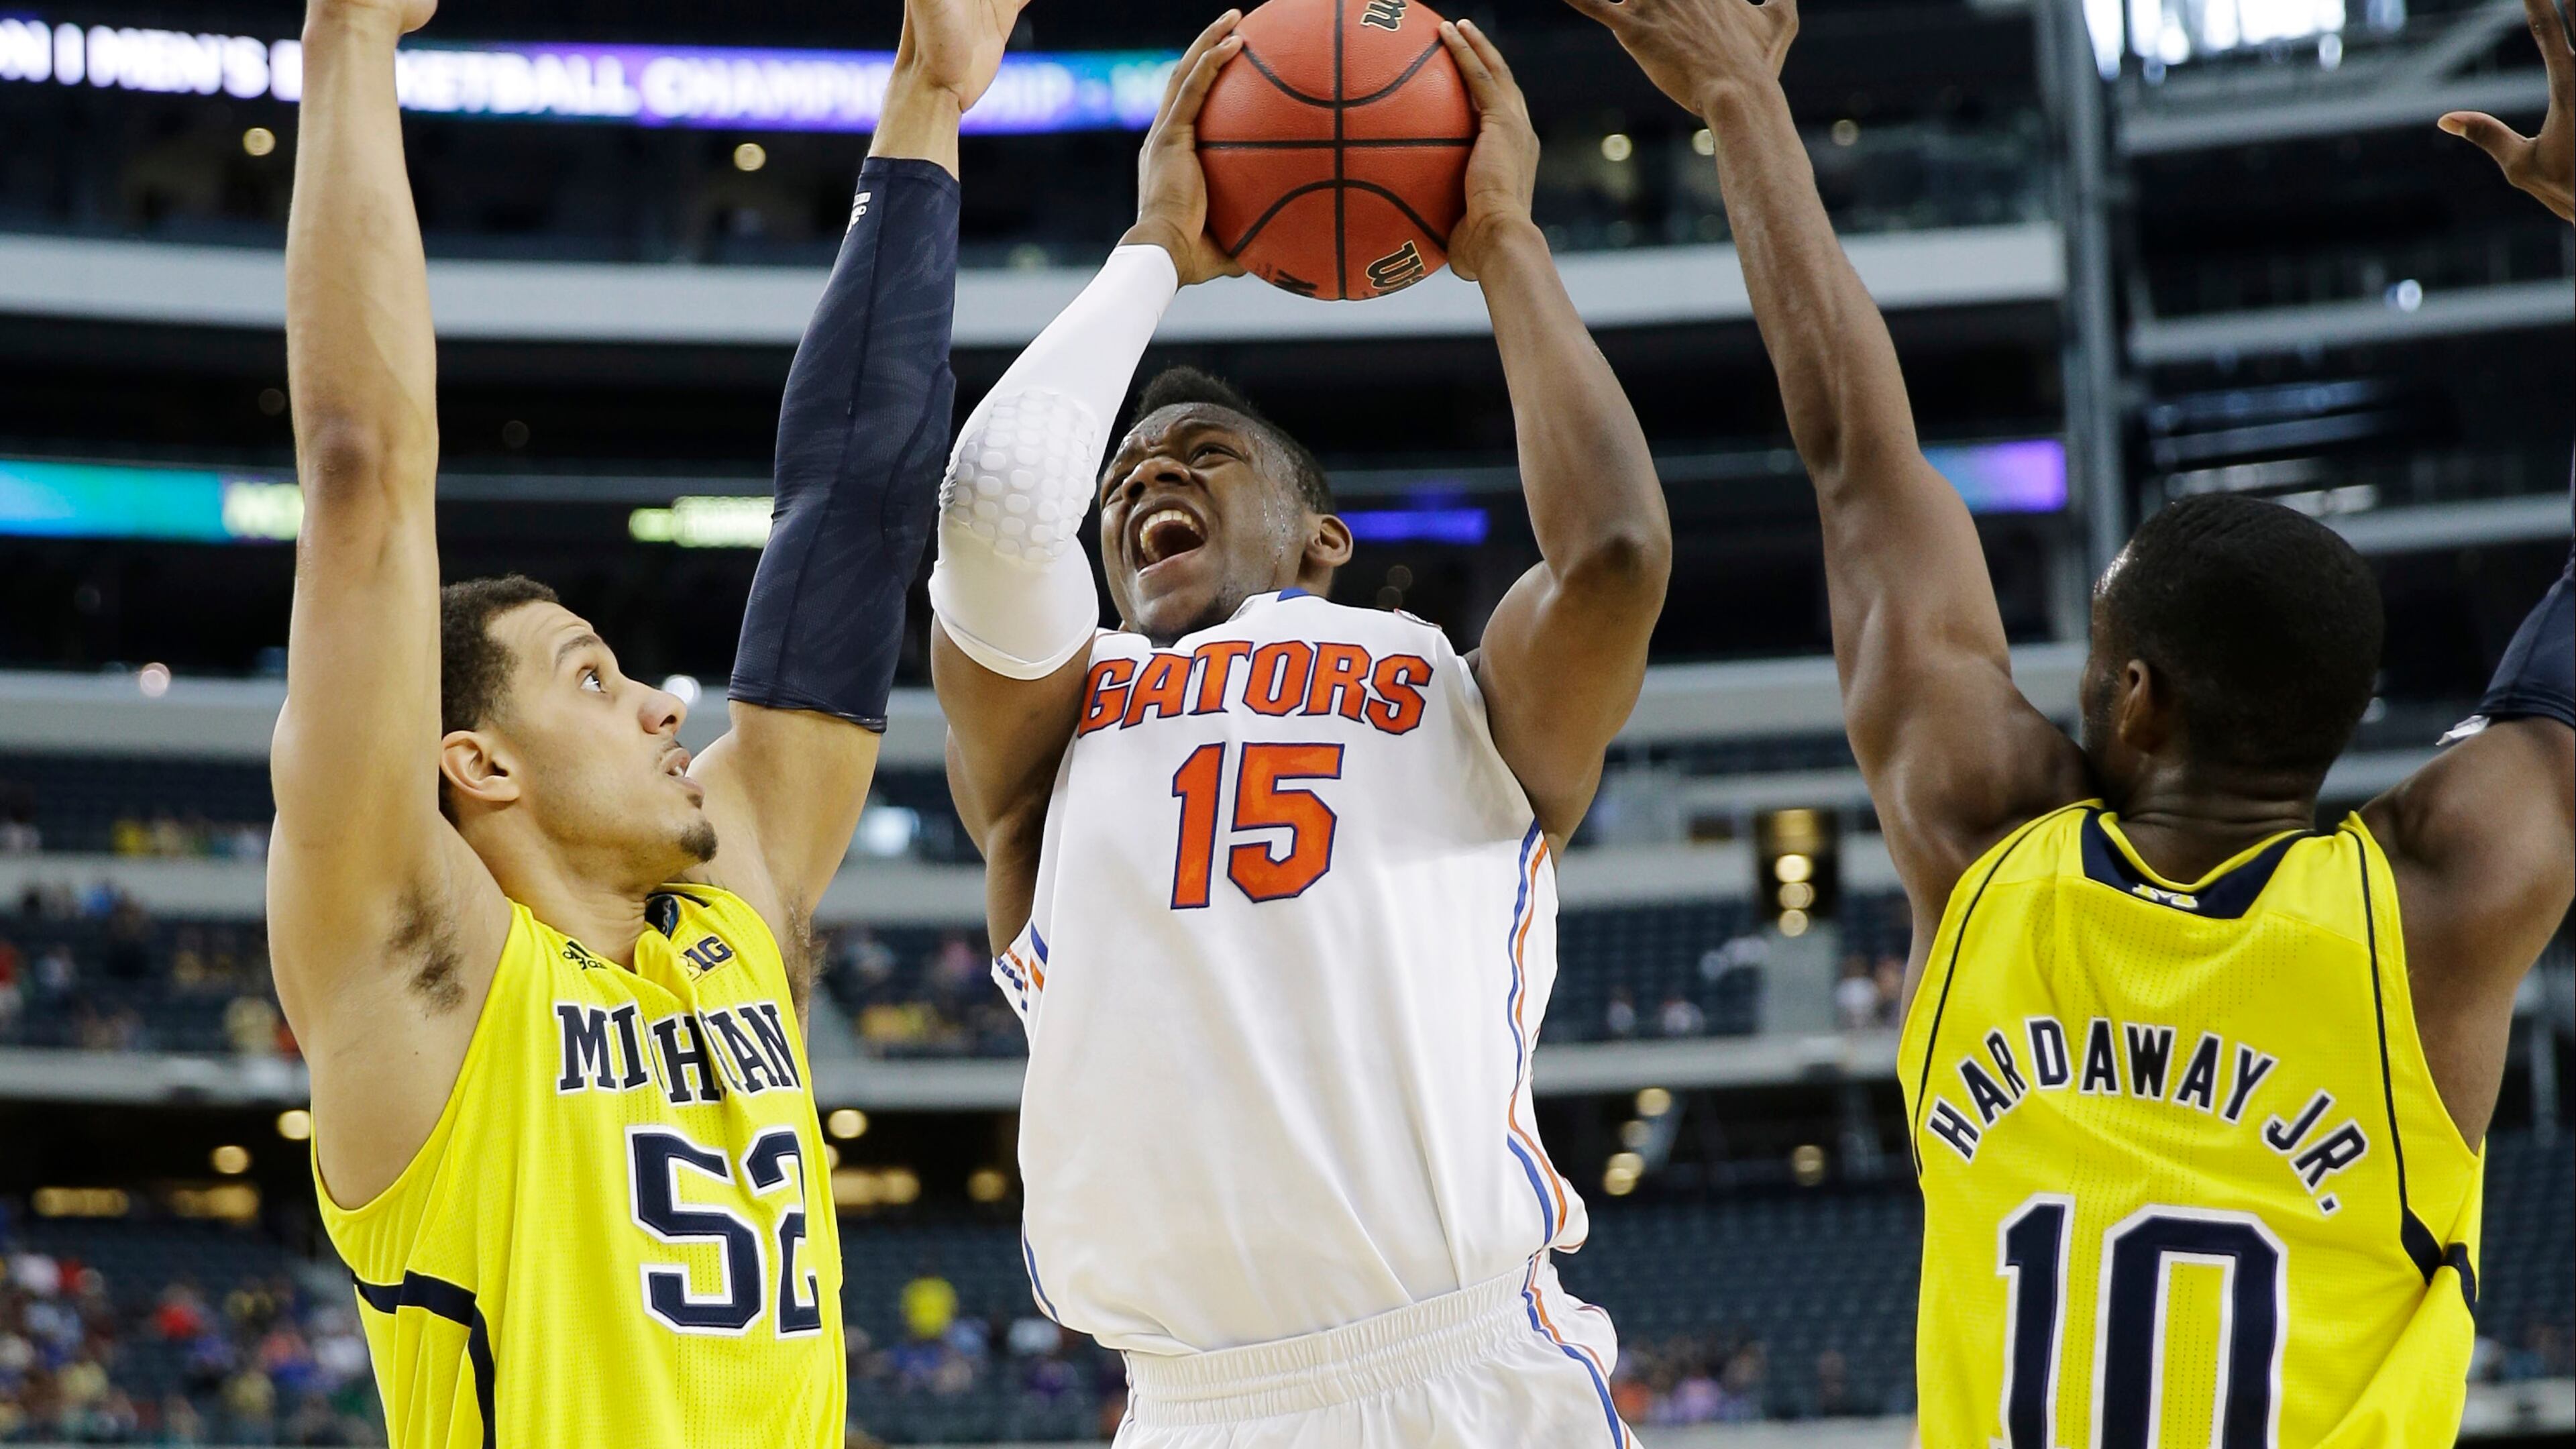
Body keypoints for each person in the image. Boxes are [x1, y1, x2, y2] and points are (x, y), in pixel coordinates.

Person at [1568, 0, 2575, 1440]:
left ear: (2140, 698)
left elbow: (1858, 459)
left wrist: (1744, 104)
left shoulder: (1986, 843)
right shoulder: (2439, 907)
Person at [263, 0, 1022, 1440]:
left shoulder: (731, 897)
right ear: (474, 763)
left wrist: (926, 102)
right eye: (591, 678)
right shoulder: (419, 972)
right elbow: (363, 477)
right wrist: (351, 38)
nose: (667, 704)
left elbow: (853, 510)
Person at [931, 13, 1669, 1446]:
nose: (1149, 474)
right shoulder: (1053, 724)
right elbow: (994, 510)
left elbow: (1618, 557)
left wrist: (1503, 237)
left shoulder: (1453, 684)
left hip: (1468, 1370)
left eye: (1205, 454)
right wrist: (1155, 246)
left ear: (1322, 536)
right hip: (1201, 1407)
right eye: (1128, 474)